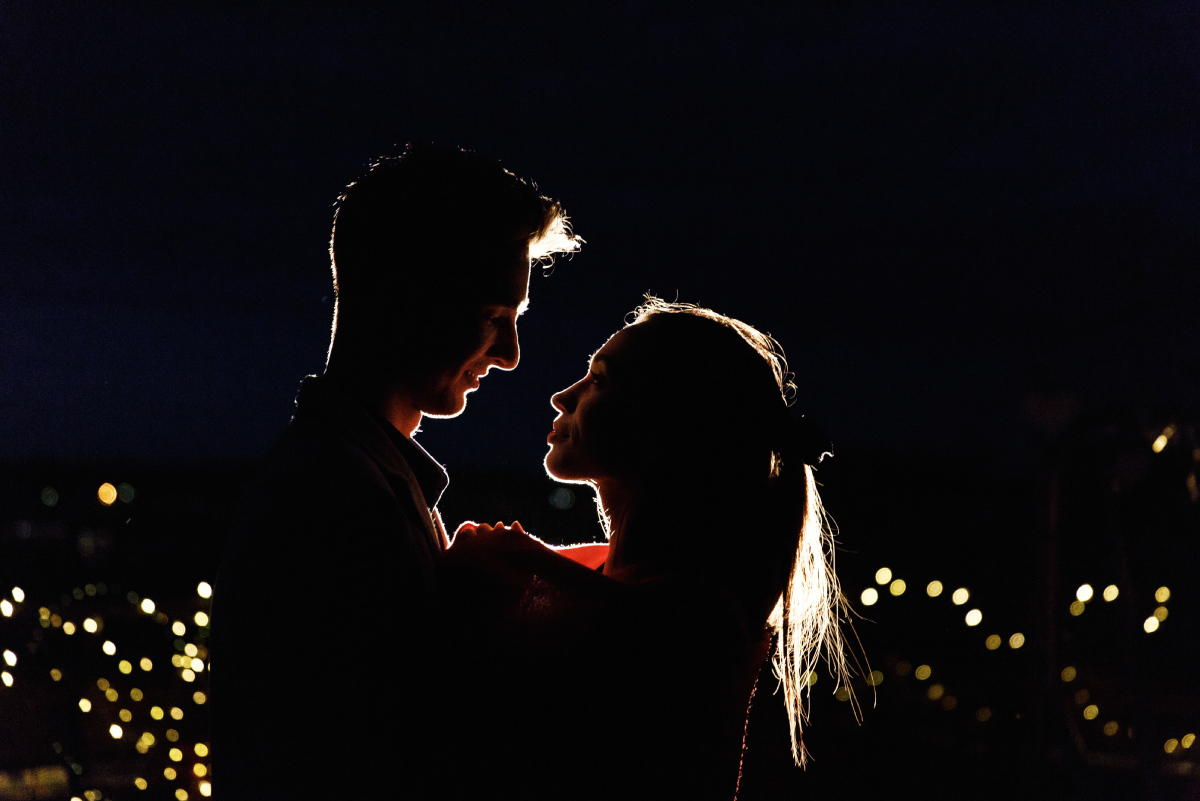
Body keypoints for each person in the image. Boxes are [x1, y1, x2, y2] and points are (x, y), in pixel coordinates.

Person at [210, 143, 580, 800]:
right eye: (495, 317)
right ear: (406, 294)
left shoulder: (356, 476)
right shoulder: (337, 500)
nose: (512, 355)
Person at [440, 298, 855, 801]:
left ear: (668, 424)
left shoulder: (671, 622)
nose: (562, 396)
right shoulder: (653, 594)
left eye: (600, 380)